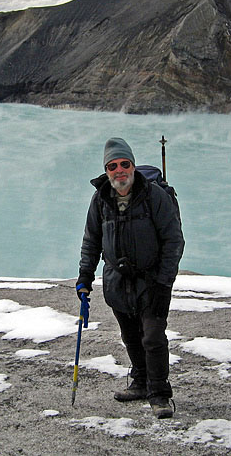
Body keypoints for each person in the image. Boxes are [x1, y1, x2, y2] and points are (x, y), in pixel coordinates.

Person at [76, 137, 185, 419]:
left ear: (133, 167)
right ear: (107, 170)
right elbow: (92, 240)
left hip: (151, 280)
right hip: (117, 280)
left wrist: (164, 282)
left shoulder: (153, 196)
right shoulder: (100, 199)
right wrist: (84, 277)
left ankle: (159, 394)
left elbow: (173, 240)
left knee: (152, 335)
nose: (119, 170)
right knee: (130, 336)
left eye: (125, 164)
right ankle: (141, 382)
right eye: (113, 166)